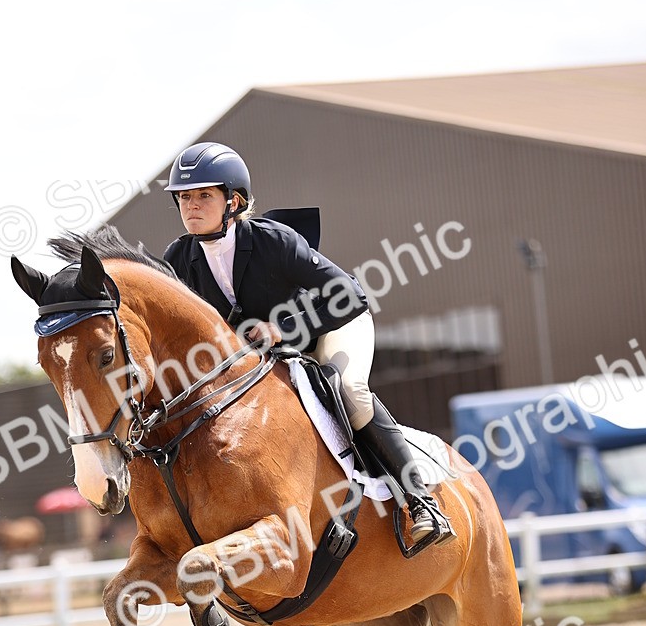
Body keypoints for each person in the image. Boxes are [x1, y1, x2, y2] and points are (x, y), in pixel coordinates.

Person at [163, 141, 453, 547]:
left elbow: (350, 296)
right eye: (184, 197)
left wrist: (283, 328)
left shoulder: (272, 241)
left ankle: (422, 503)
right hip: (264, 357)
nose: (191, 206)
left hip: (329, 327)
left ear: (234, 201)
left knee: (350, 393)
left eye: (204, 195)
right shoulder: (178, 260)